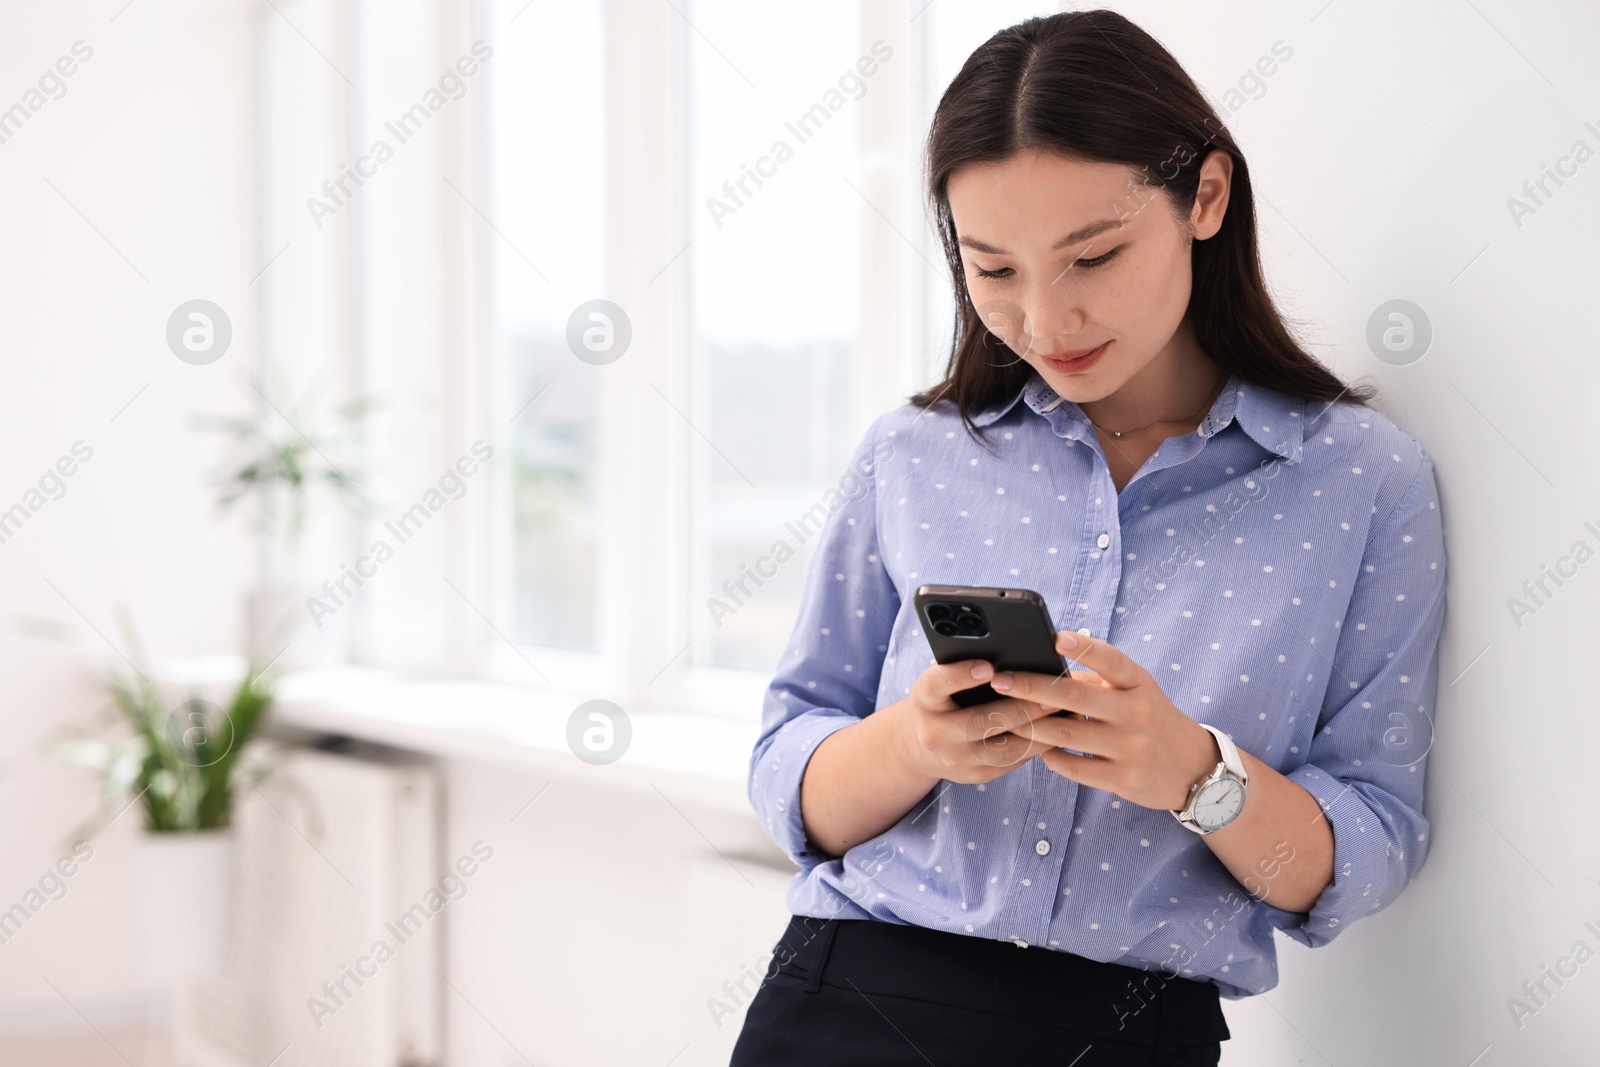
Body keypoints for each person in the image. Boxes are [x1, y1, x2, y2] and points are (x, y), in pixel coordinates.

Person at [730, 9, 1446, 1067]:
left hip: (1125, 1032)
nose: (1044, 319)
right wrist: (917, 742)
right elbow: (789, 767)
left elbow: (1370, 843)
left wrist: (1196, 772)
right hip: (846, 996)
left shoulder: (1360, 481)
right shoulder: (913, 453)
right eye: (994, 269)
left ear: (1205, 197)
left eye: (1092, 255)